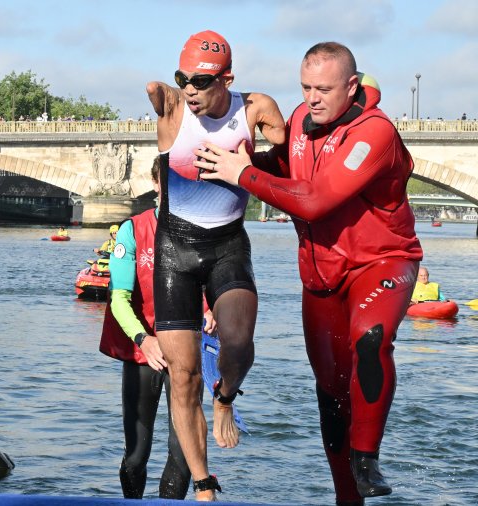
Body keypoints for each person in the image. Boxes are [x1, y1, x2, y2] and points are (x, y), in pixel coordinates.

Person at [194, 42, 423, 504]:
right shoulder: (299, 119)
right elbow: (281, 170)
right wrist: (231, 162)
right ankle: (347, 496)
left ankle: (367, 457)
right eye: (305, 87)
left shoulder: (373, 133)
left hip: (381, 262)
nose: (313, 98)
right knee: (331, 394)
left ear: (352, 86)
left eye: (324, 89)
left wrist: (241, 175)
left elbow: (315, 200)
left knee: (372, 337)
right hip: (320, 277)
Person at [146, 29, 285, 500]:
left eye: (202, 82)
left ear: (227, 78)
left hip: (228, 245)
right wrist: (171, 89)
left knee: (239, 342)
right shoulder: (172, 107)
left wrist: (253, 161)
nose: (190, 89)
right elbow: (158, 91)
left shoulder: (255, 109)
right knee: (182, 377)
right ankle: (203, 485)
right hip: (175, 252)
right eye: (183, 78)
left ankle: (224, 397)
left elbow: (292, 162)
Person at [99, 157, 215, 499]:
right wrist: (143, 340)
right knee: (136, 455)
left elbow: (219, 286)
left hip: (186, 351)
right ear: (156, 184)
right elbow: (118, 299)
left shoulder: (205, 232)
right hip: (143, 353)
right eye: (168, 181)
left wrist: (217, 310)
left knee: (182, 457)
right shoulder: (132, 231)